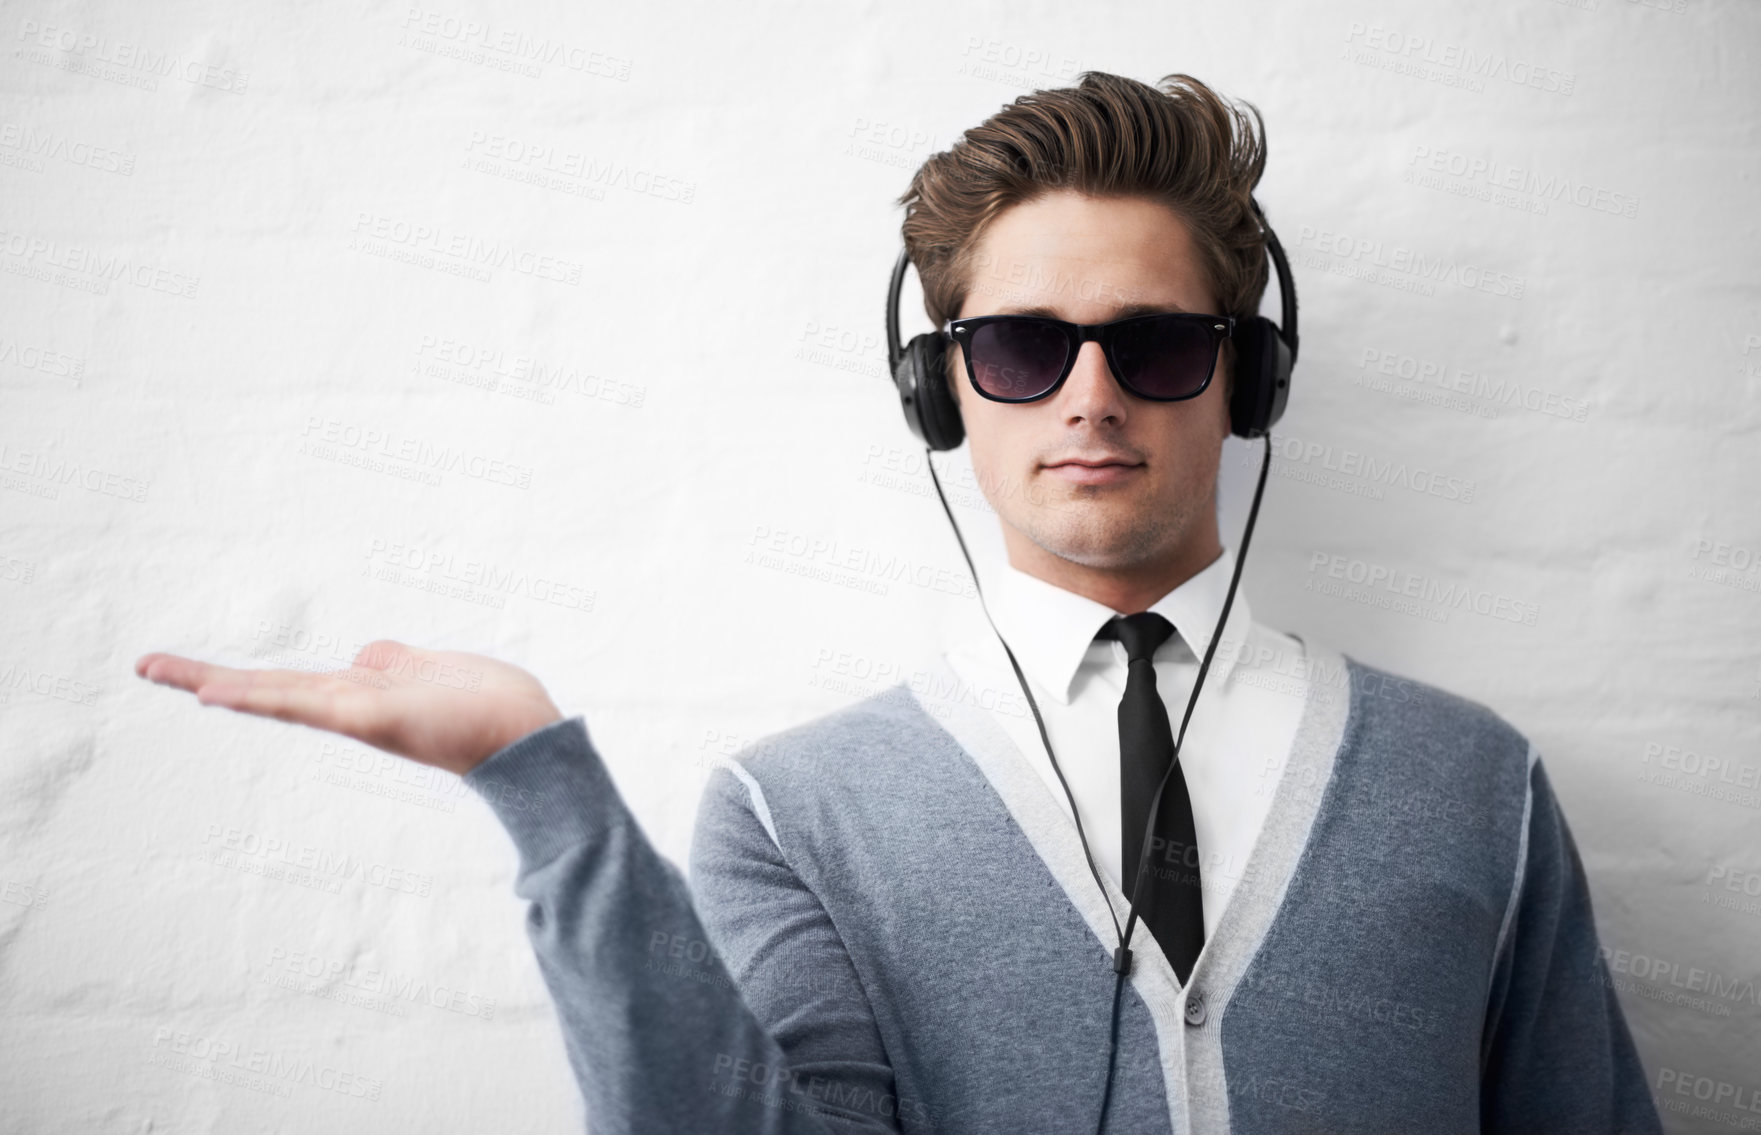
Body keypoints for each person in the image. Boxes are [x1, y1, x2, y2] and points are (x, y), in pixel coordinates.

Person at [135, 72, 1661, 1133]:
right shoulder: (797, 811)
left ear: (1247, 380)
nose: (1086, 398)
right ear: (941, 396)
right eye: (1017, 349)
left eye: (1154, 346)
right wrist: (540, 788)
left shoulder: (1476, 783)